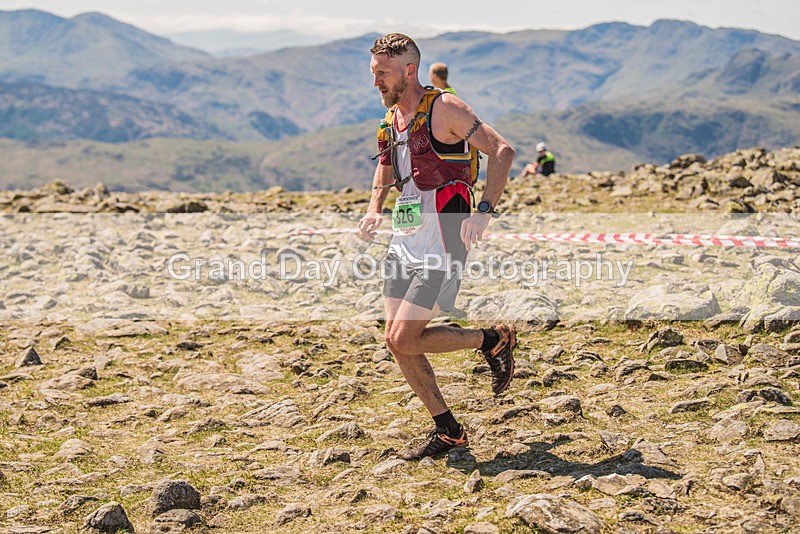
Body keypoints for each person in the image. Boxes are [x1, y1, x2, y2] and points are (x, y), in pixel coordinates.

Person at [358, 33, 517, 460]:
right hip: (404, 238)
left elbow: (502, 151)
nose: (375, 81)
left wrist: (484, 209)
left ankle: (491, 340)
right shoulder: (390, 119)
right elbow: (387, 168)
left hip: (444, 239)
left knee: (406, 338)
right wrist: (375, 208)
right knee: (395, 341)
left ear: (409, 71)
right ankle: (448, 431)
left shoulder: (445, 108)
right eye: (372, 72)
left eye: (383, 73)